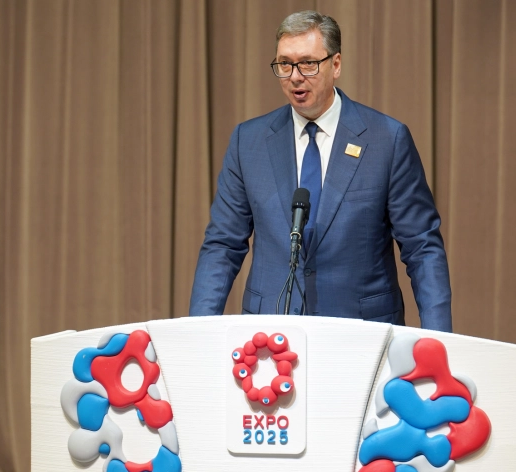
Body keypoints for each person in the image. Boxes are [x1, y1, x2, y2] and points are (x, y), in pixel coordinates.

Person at [189, 10, 452, 332]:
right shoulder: (249, 141)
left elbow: (422, 247)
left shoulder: (386, 139)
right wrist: (196, 334)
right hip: (270, 332)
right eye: (285, 64)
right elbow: (222, 244)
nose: (295, 76)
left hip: (361, 331)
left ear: (336, 64)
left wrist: (438, 340)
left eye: (308, 63)